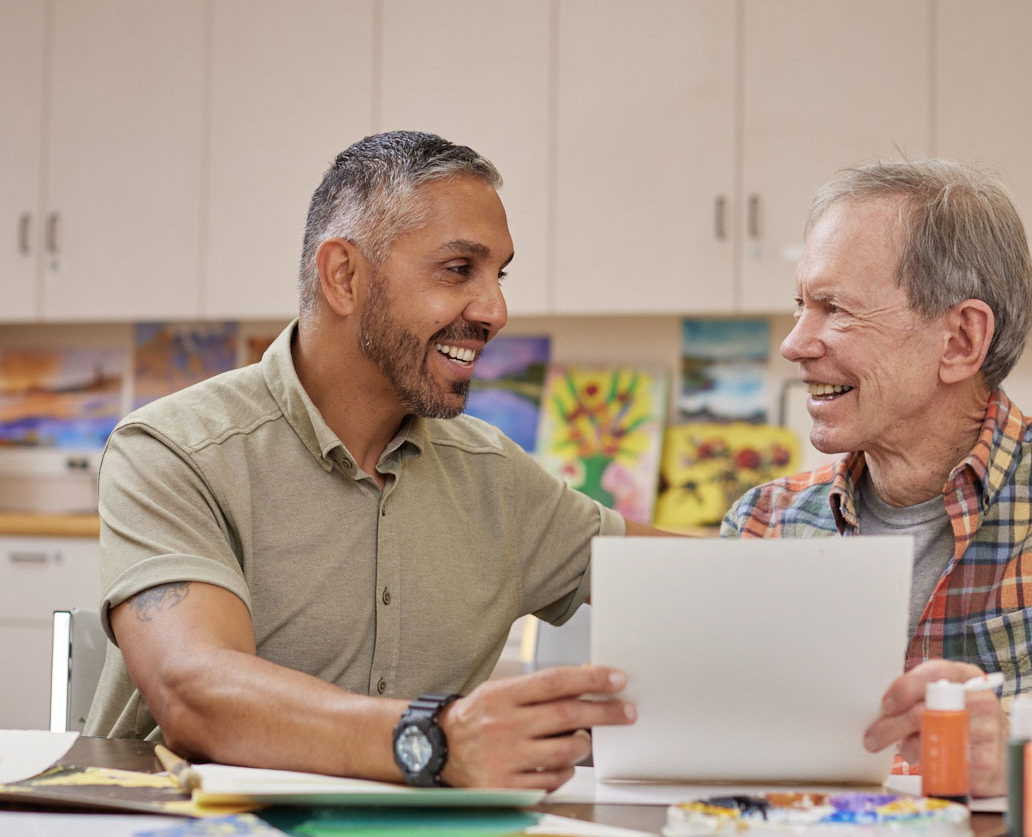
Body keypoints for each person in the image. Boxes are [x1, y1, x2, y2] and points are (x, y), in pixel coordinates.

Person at [85, 131, 663, 790]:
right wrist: (437, 739)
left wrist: (801, 512)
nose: (496, 310)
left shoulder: (496, 479)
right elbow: (197, 692)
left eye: (498, 275)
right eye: (457, 269)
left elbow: (694, 578)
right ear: (344, 277)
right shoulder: (173, 450)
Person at [721, 160, 1032, 796]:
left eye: (835, 309)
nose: (795, 343)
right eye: (800, 305)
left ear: (960, 339)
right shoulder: (764, 522)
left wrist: (1026, 755)